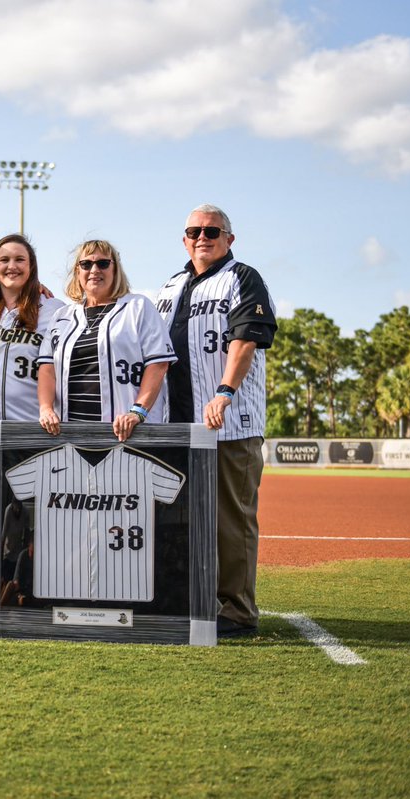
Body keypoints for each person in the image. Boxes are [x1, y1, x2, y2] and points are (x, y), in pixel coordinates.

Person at [154, 204, 277, 638]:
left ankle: (238, 611)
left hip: (231, 423)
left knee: (230, 519)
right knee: (180, 518)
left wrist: (224, 391)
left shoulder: (242, 277)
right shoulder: (171, 285)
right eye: (194, 230)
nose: (202, 237)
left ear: (229, 238)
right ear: (184, 238)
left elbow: (246, 339)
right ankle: (189, 600)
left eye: (211, 230)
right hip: (178, 427)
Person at [0, 233, 64, 607]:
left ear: (31, 266)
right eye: (4, 260)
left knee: (30, 521)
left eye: (20, 260)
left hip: (29, 432)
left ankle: (28, 591)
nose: (12, 266)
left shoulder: (53, 309)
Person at [38, 240, 176, 441]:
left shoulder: (138, 306)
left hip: (127, 432)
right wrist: (46, 409)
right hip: (70, 432)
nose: (94, 270)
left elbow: (159, 363)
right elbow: (47, 368)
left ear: (115, 269)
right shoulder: (61, 315)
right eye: (86, 264)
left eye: (103, 263)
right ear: (78, 271)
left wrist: (138, 411)